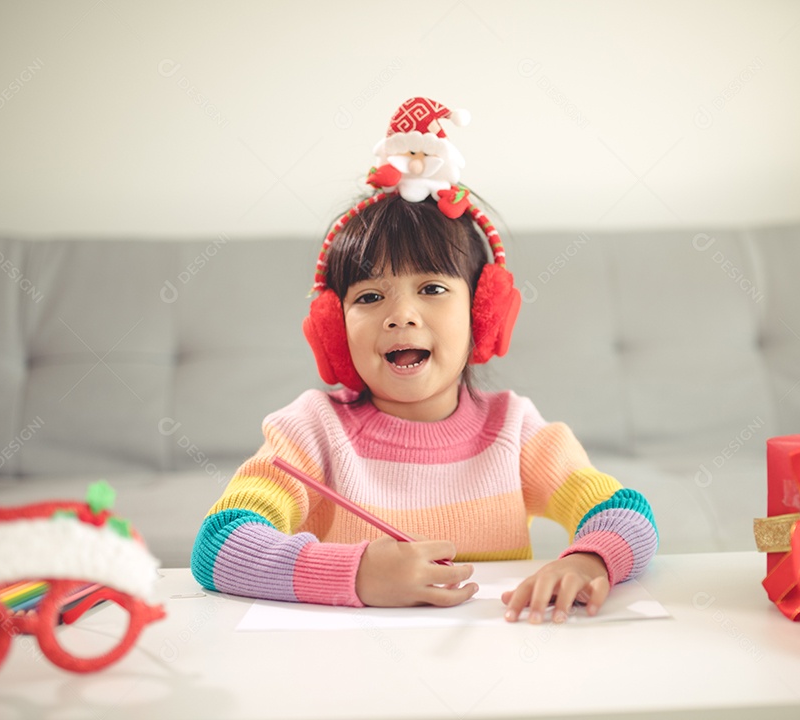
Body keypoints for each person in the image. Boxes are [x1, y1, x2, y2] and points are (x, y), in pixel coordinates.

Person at [191, 97, 657, 623]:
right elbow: (218, 546)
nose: (400, 316)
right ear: (333, 330)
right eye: (369, 297)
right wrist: (356, 574)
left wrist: (589, 560)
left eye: (432, 287)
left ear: (484, 315)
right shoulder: (311, 433)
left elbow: (627, 516)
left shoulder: (518, 432)